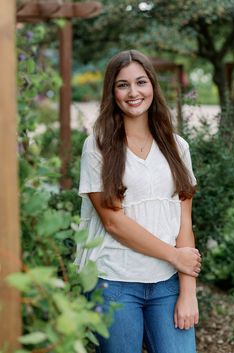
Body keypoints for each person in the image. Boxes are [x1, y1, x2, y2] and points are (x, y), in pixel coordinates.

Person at [75, 50, 201, 353]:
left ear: (153, 87)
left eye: (141, 82)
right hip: (114, 282)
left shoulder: (177, 146)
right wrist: (174, 256)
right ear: (112, 92)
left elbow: (183, 222)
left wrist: (188, 291)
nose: (133, 92)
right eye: (123, 85)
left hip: (167, 284)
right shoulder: (98, 146)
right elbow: (113, 222)